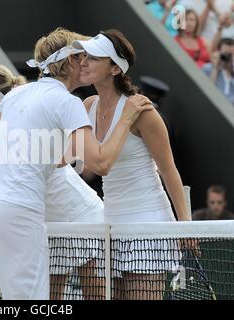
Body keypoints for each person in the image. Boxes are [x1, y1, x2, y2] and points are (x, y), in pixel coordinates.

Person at [0, 27, 153, 300]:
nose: (88, 62)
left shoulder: (16, 94)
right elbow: (101, 163)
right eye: (84, 57)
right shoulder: (67, 102)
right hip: (17, 211)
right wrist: (126, 118)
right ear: (71, 61)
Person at [73, 29, 191, 300]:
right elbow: (91, 167)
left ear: (114, 68)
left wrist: (186, 224)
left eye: (94, 57)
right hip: (109, 223)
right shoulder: (88, 105)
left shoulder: (144, 113)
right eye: (85, 56)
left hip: (148, 222)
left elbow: (168, 170)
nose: (84, 61)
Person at [203, 37, 234, 104]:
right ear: (218, 52)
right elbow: (207, 91)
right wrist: (215, 68)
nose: (228, 58)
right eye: (225, 54)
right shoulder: (208, 68)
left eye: (231, 55)